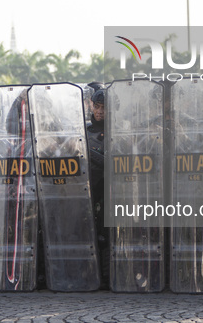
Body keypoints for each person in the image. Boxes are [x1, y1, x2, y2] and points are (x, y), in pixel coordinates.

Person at [86, 88, 107, 287]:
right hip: (84, 192)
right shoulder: (84, 130)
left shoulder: (116, 130)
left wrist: (88, 153)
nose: (99, 111)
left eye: (103, 108)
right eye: (97, 106)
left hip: (107, 193)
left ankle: (106, 276)